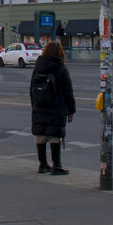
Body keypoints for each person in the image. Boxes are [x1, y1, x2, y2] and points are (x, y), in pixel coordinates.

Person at [30, 41, 76, 175]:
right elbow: (68, 92)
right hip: (57, 107)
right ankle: (57, 165)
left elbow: (31, 89)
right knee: (54, 135)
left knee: (41, 135)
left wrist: (35, 105)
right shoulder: (61, 68)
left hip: (39, 106)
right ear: (59, 53)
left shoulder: (38, 67)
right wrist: (71, 110)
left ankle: (43, 164)